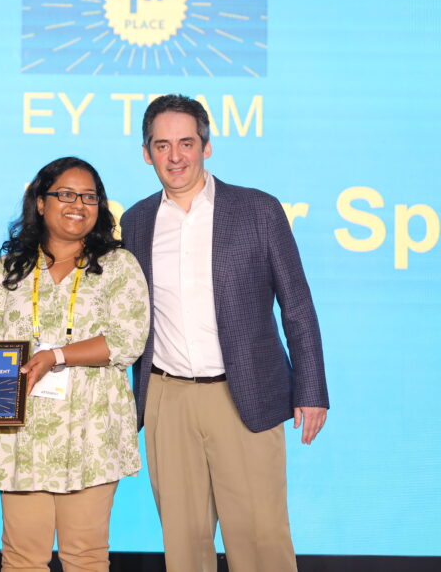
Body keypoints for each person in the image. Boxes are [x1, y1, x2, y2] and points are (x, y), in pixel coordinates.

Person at [119, 94, 329, 572]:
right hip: (167, 399)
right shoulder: (135, 221)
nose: (175, 157)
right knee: (184, 540)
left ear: (206, 147)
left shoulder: (258, 210)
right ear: (146, 152)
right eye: (162, 145)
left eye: (186, 143)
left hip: (245, 394)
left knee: (260, 536)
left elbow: (296, 305)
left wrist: (311, 389)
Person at [0, 157, 149, 571]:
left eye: (89, 197)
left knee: (86, 558)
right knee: (21, 559)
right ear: (40, 202)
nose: (78, 204)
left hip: (92, 431)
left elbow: (128, 340)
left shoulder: (118, 266)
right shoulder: (7, 271)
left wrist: (55, 355)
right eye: (66, 194)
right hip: (22, 432)